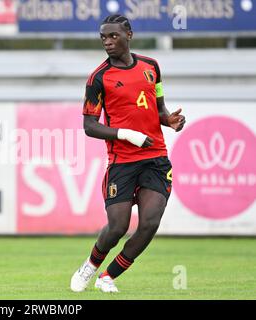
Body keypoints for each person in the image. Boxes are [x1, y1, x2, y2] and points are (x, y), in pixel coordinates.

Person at [70, 14, 186, 293]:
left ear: (129, 35)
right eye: (103, 38)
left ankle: (107, 276)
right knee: (118, 226)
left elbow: (158, 110)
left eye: (113, 36)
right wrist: (127, 134)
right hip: (122, 162)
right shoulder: (98, 78)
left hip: (156, 159)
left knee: (149, 223)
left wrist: (169, 120)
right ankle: (90, 265)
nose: (108, 42)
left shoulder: (151, 67)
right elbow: (88, 125)